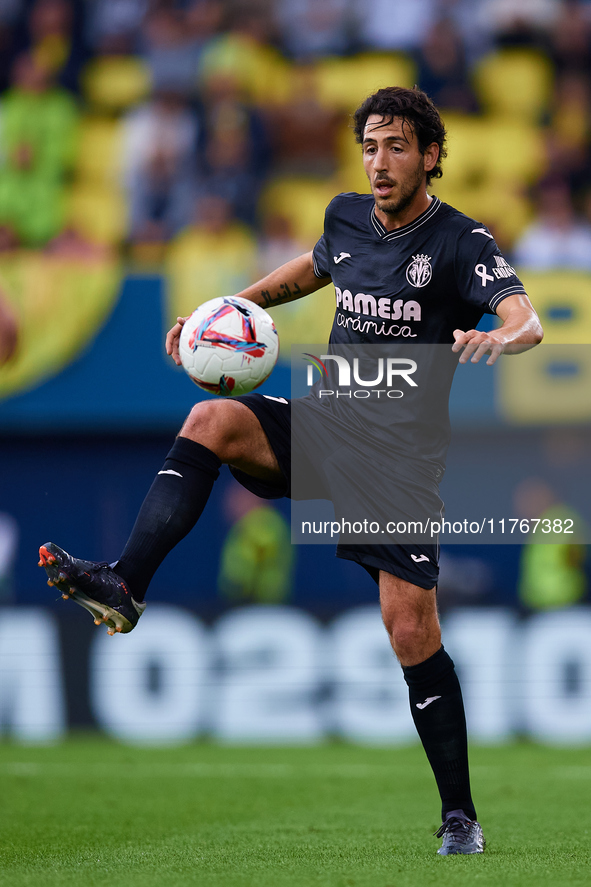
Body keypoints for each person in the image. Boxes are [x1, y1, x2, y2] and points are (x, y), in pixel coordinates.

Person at [39, 86, 543, 856]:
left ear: (431, 155)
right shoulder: (345, 217)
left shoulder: (459, 243)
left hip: (396, 465)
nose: (379, 161)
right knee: (210, 418)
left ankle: (459, 816)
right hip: (327, 424)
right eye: (370, 145)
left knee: (410, 631)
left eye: (397, 146)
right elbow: (309, 271)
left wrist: (503, 337)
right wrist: (223, 310)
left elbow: (524, 315)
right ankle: (124, 583)